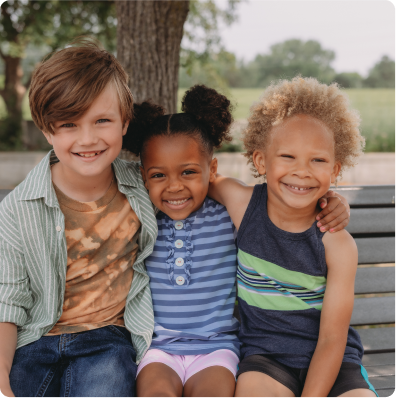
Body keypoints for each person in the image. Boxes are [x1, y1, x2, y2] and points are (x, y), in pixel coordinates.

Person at [122, 84, 352, 398]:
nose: (175, 187)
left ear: (210, 169)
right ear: (144, 177)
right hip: (161, 350)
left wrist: (331, 200)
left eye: (188, 172)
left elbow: (272, 199)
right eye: (159, 176)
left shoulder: (231, 212)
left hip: (217, 350)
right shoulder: (142, 215)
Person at [0, 40, 157, 398]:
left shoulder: (144, 187)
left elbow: (196, 188)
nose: (88, 139)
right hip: (34, 338)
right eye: (69, 124)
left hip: (107, 339)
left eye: (102, 120)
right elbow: (7, 300)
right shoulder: (17, 208)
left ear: (124, 123)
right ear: (46, 130)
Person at [209, 77, 378, 398]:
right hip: (266, 358)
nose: (302, 171)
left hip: (335, 361)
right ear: (261, 161)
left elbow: (331, 339)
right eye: (288, 157)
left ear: (335, 170)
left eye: (318, 160)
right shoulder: (242, 205)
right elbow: (197, 179)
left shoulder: (337, 244)